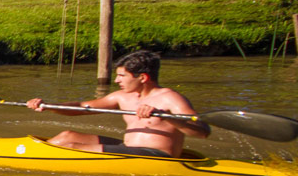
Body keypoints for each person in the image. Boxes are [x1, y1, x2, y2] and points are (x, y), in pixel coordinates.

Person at [27, 50, 209, 158]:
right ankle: (31, 157)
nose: (116, 80)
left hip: (157, 155)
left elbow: (202, 131)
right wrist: (49, 106)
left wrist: (167, 117)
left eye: (122, 76)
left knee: (72, 148)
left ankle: (32, 164)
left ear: (143, 77)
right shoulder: (122, 96)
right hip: (129, 149)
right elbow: (82, 107)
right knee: (67, 136)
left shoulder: (169, 97)